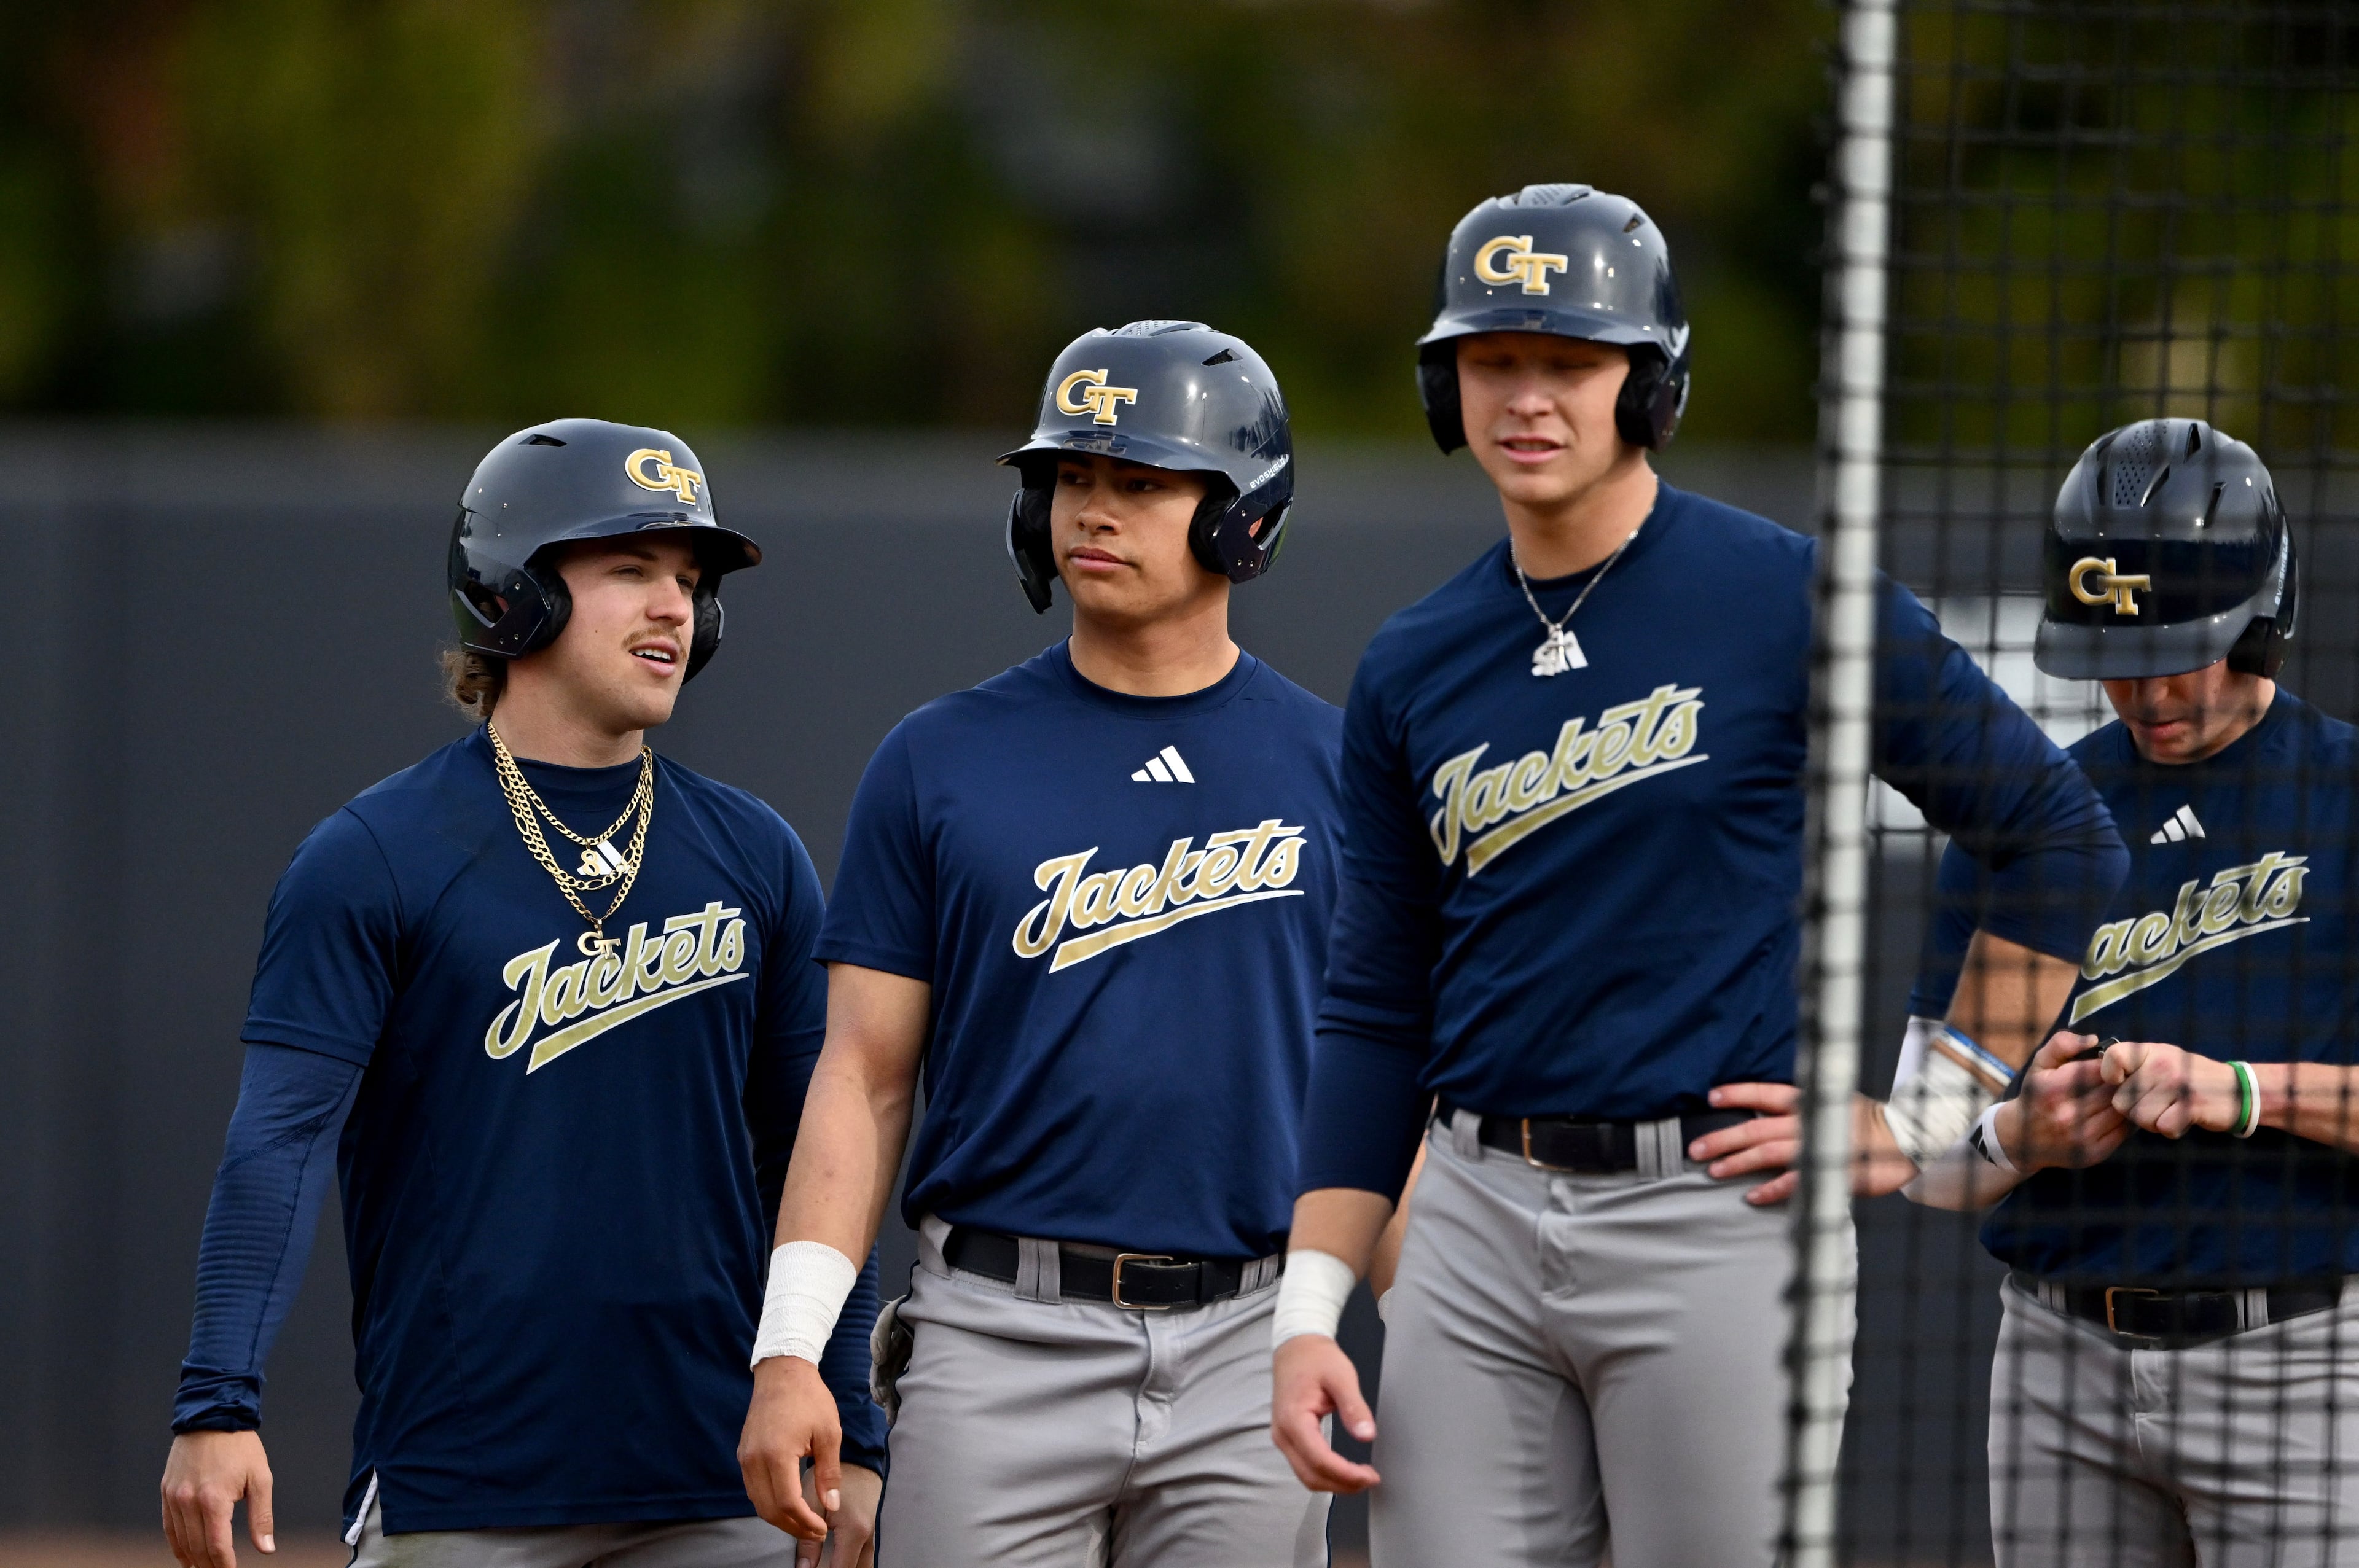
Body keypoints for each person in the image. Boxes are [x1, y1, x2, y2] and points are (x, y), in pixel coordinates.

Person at [1263, 182, 2130, 1568]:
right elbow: (1373, 1004)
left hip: (1716, 1217)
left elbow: (2056, 831)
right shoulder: (1415, 661)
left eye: (1571, 359)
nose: (1528, 396)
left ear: (1648, 382)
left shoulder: (1788, 595)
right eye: (1495, 359)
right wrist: (1309, 1306)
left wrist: (1928, 1110)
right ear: (1449, 384)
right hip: (1472, 1217)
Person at [158, 419, 886, 1568]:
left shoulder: (755, 853)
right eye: (630, 569)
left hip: (719, 1479)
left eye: (690, 582)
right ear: (514, 595)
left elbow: (816, 1151)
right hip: (464, 1480)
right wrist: (217, 1400)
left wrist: (858, 1422)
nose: (674, 608)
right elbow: (279, 1143)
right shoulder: (377, 854)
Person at [735, 321, 1342, 1567]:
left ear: (1242, 516)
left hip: (1250, 1343)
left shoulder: (1337, 770)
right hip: (999, 1335)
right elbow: (863, 1072)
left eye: (1141, 480)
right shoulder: (940, 758)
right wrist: (792, 1346)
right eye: (1073, 477)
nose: (1093, 512)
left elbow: (1385, 1084)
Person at [1904, 418, 2358, 1567]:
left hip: (2300, 1359)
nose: (2142, 686)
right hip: (2062, 1370)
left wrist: (2243, 1092)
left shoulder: (2345, 799)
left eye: (2176, 645)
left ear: (2261, 616)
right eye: (2114, 651)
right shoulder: (2034, 822)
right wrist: (2023, 1134)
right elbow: (1929, 1147)